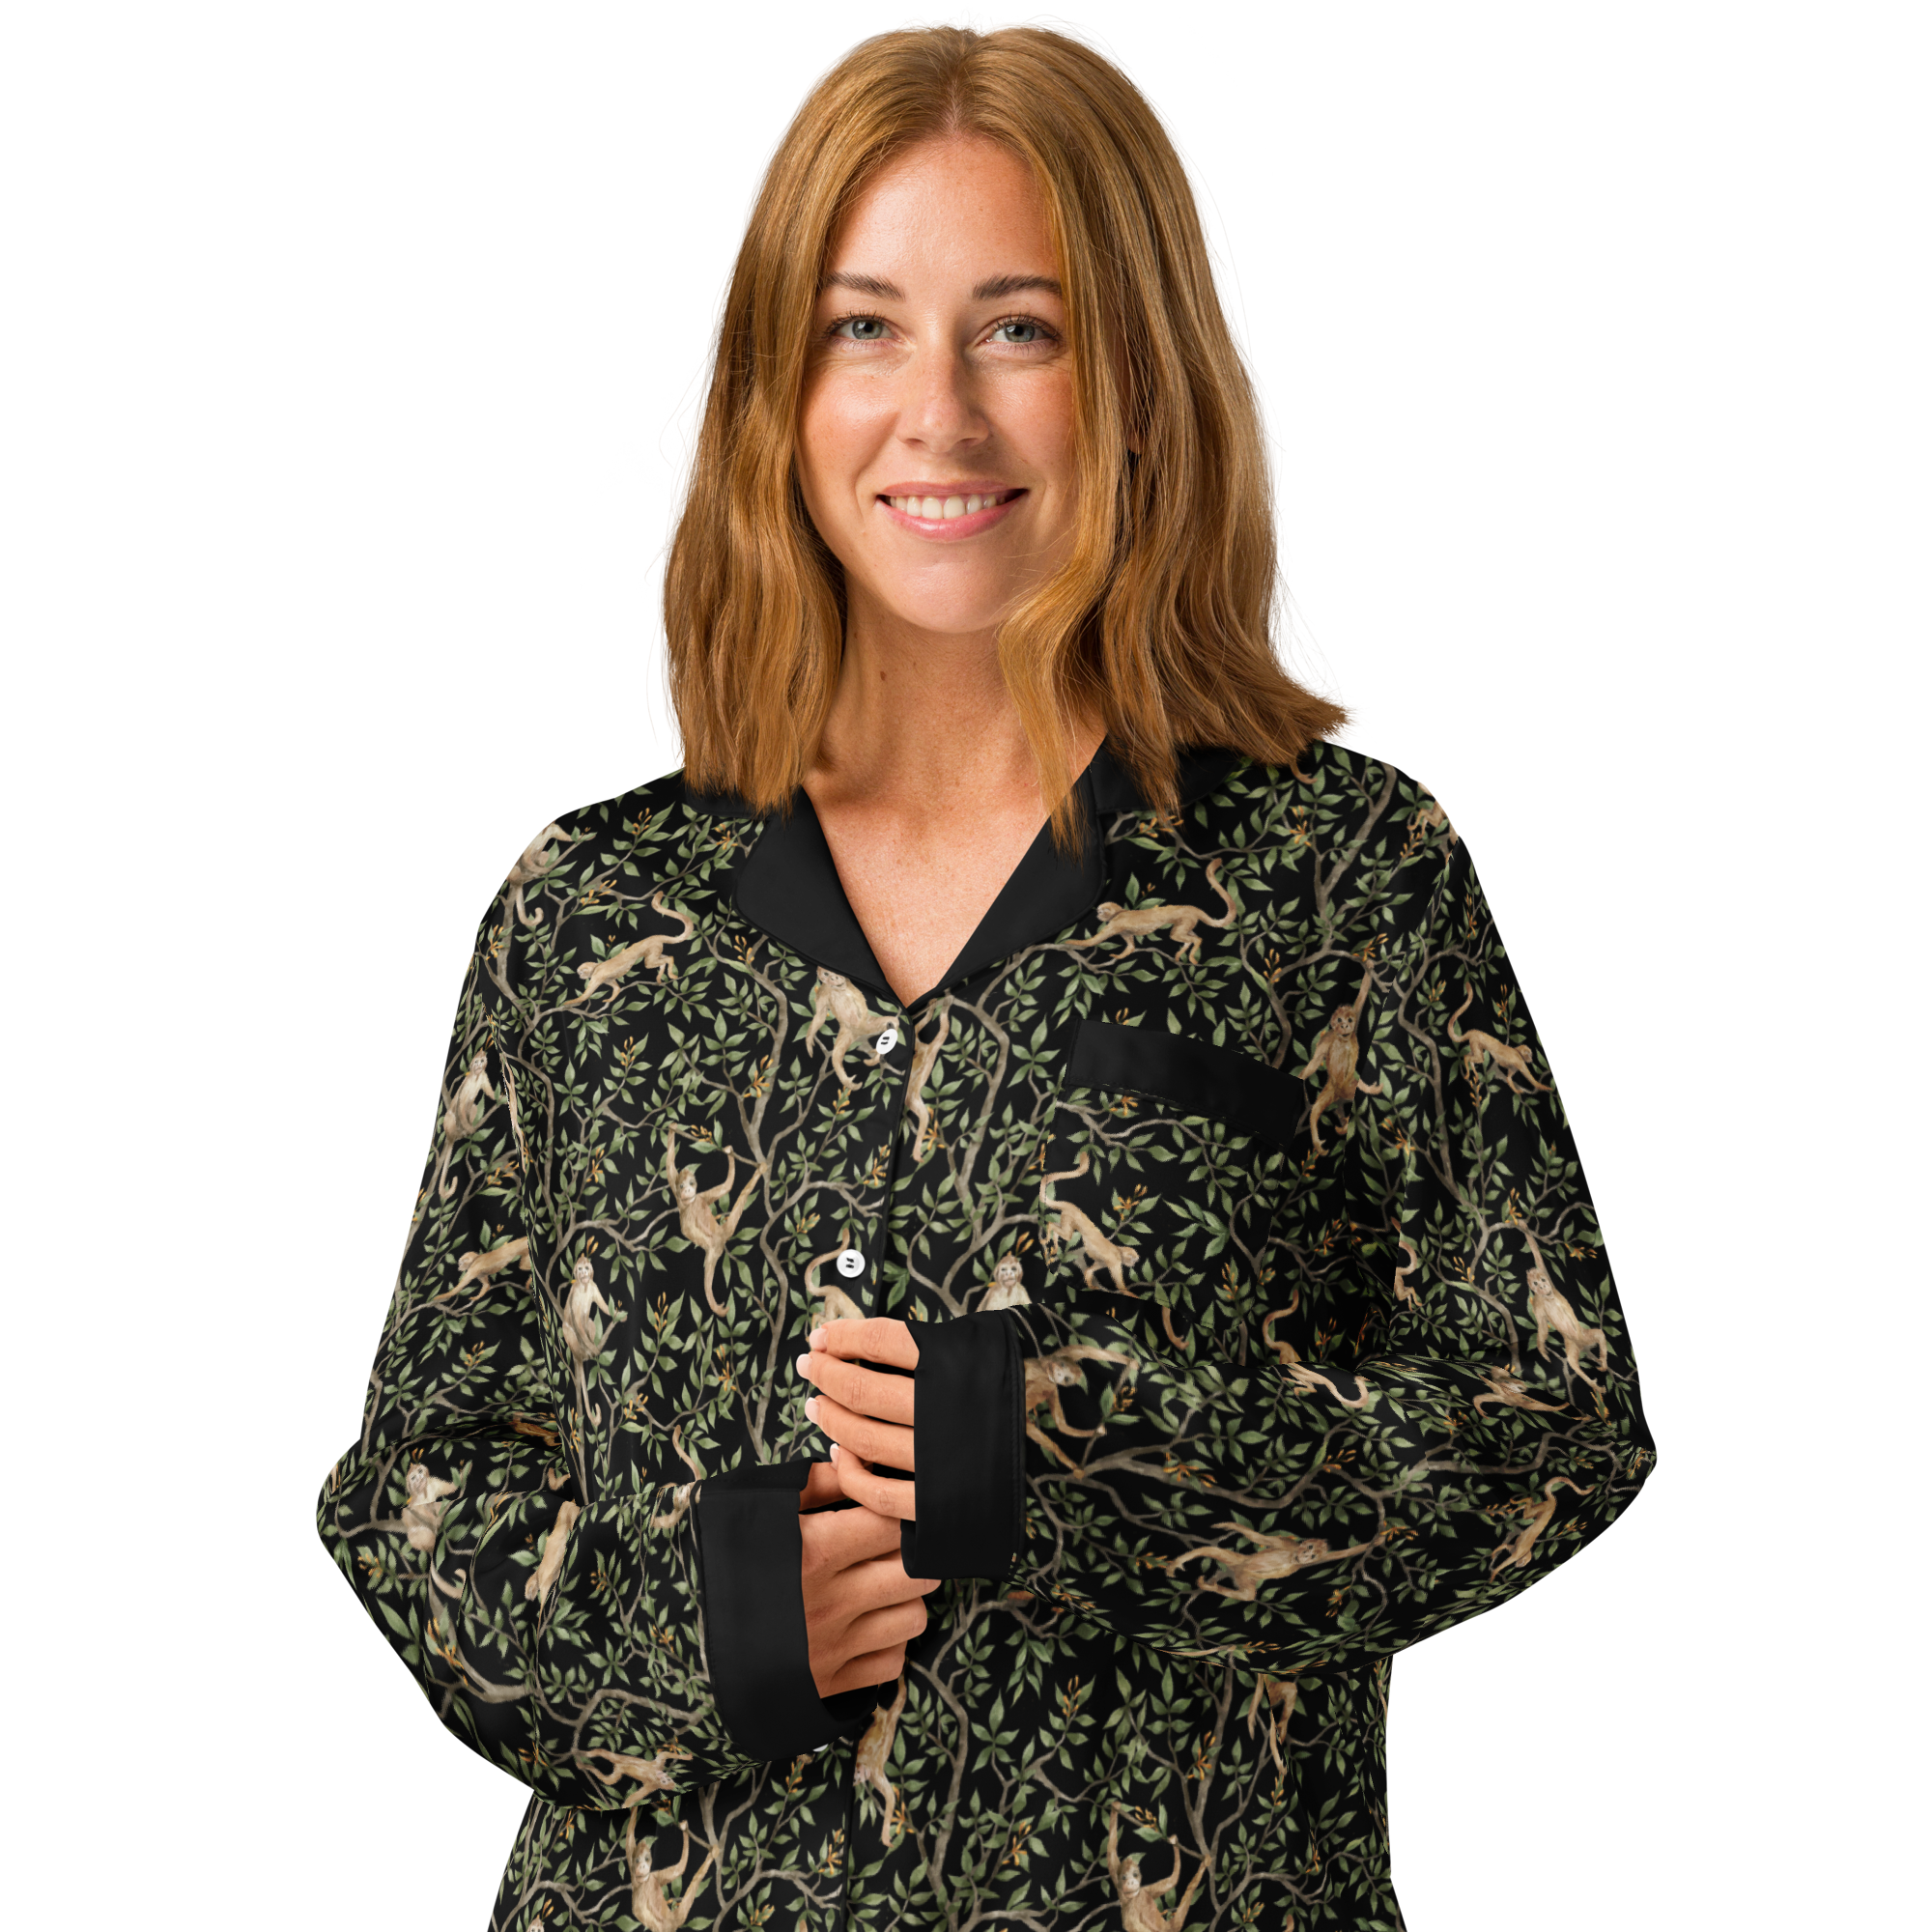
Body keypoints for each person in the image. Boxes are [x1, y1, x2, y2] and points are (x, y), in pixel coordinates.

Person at [315, 13, 1659, 1929]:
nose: (935, 413)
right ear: (776, 392)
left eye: (1018, 328)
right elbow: (416, 1493)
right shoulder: (587, 913)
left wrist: (1069, 1444)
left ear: (1141, 383)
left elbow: (1548, 1427)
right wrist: (707, 1632)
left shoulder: (1340, 872)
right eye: (861, 328)